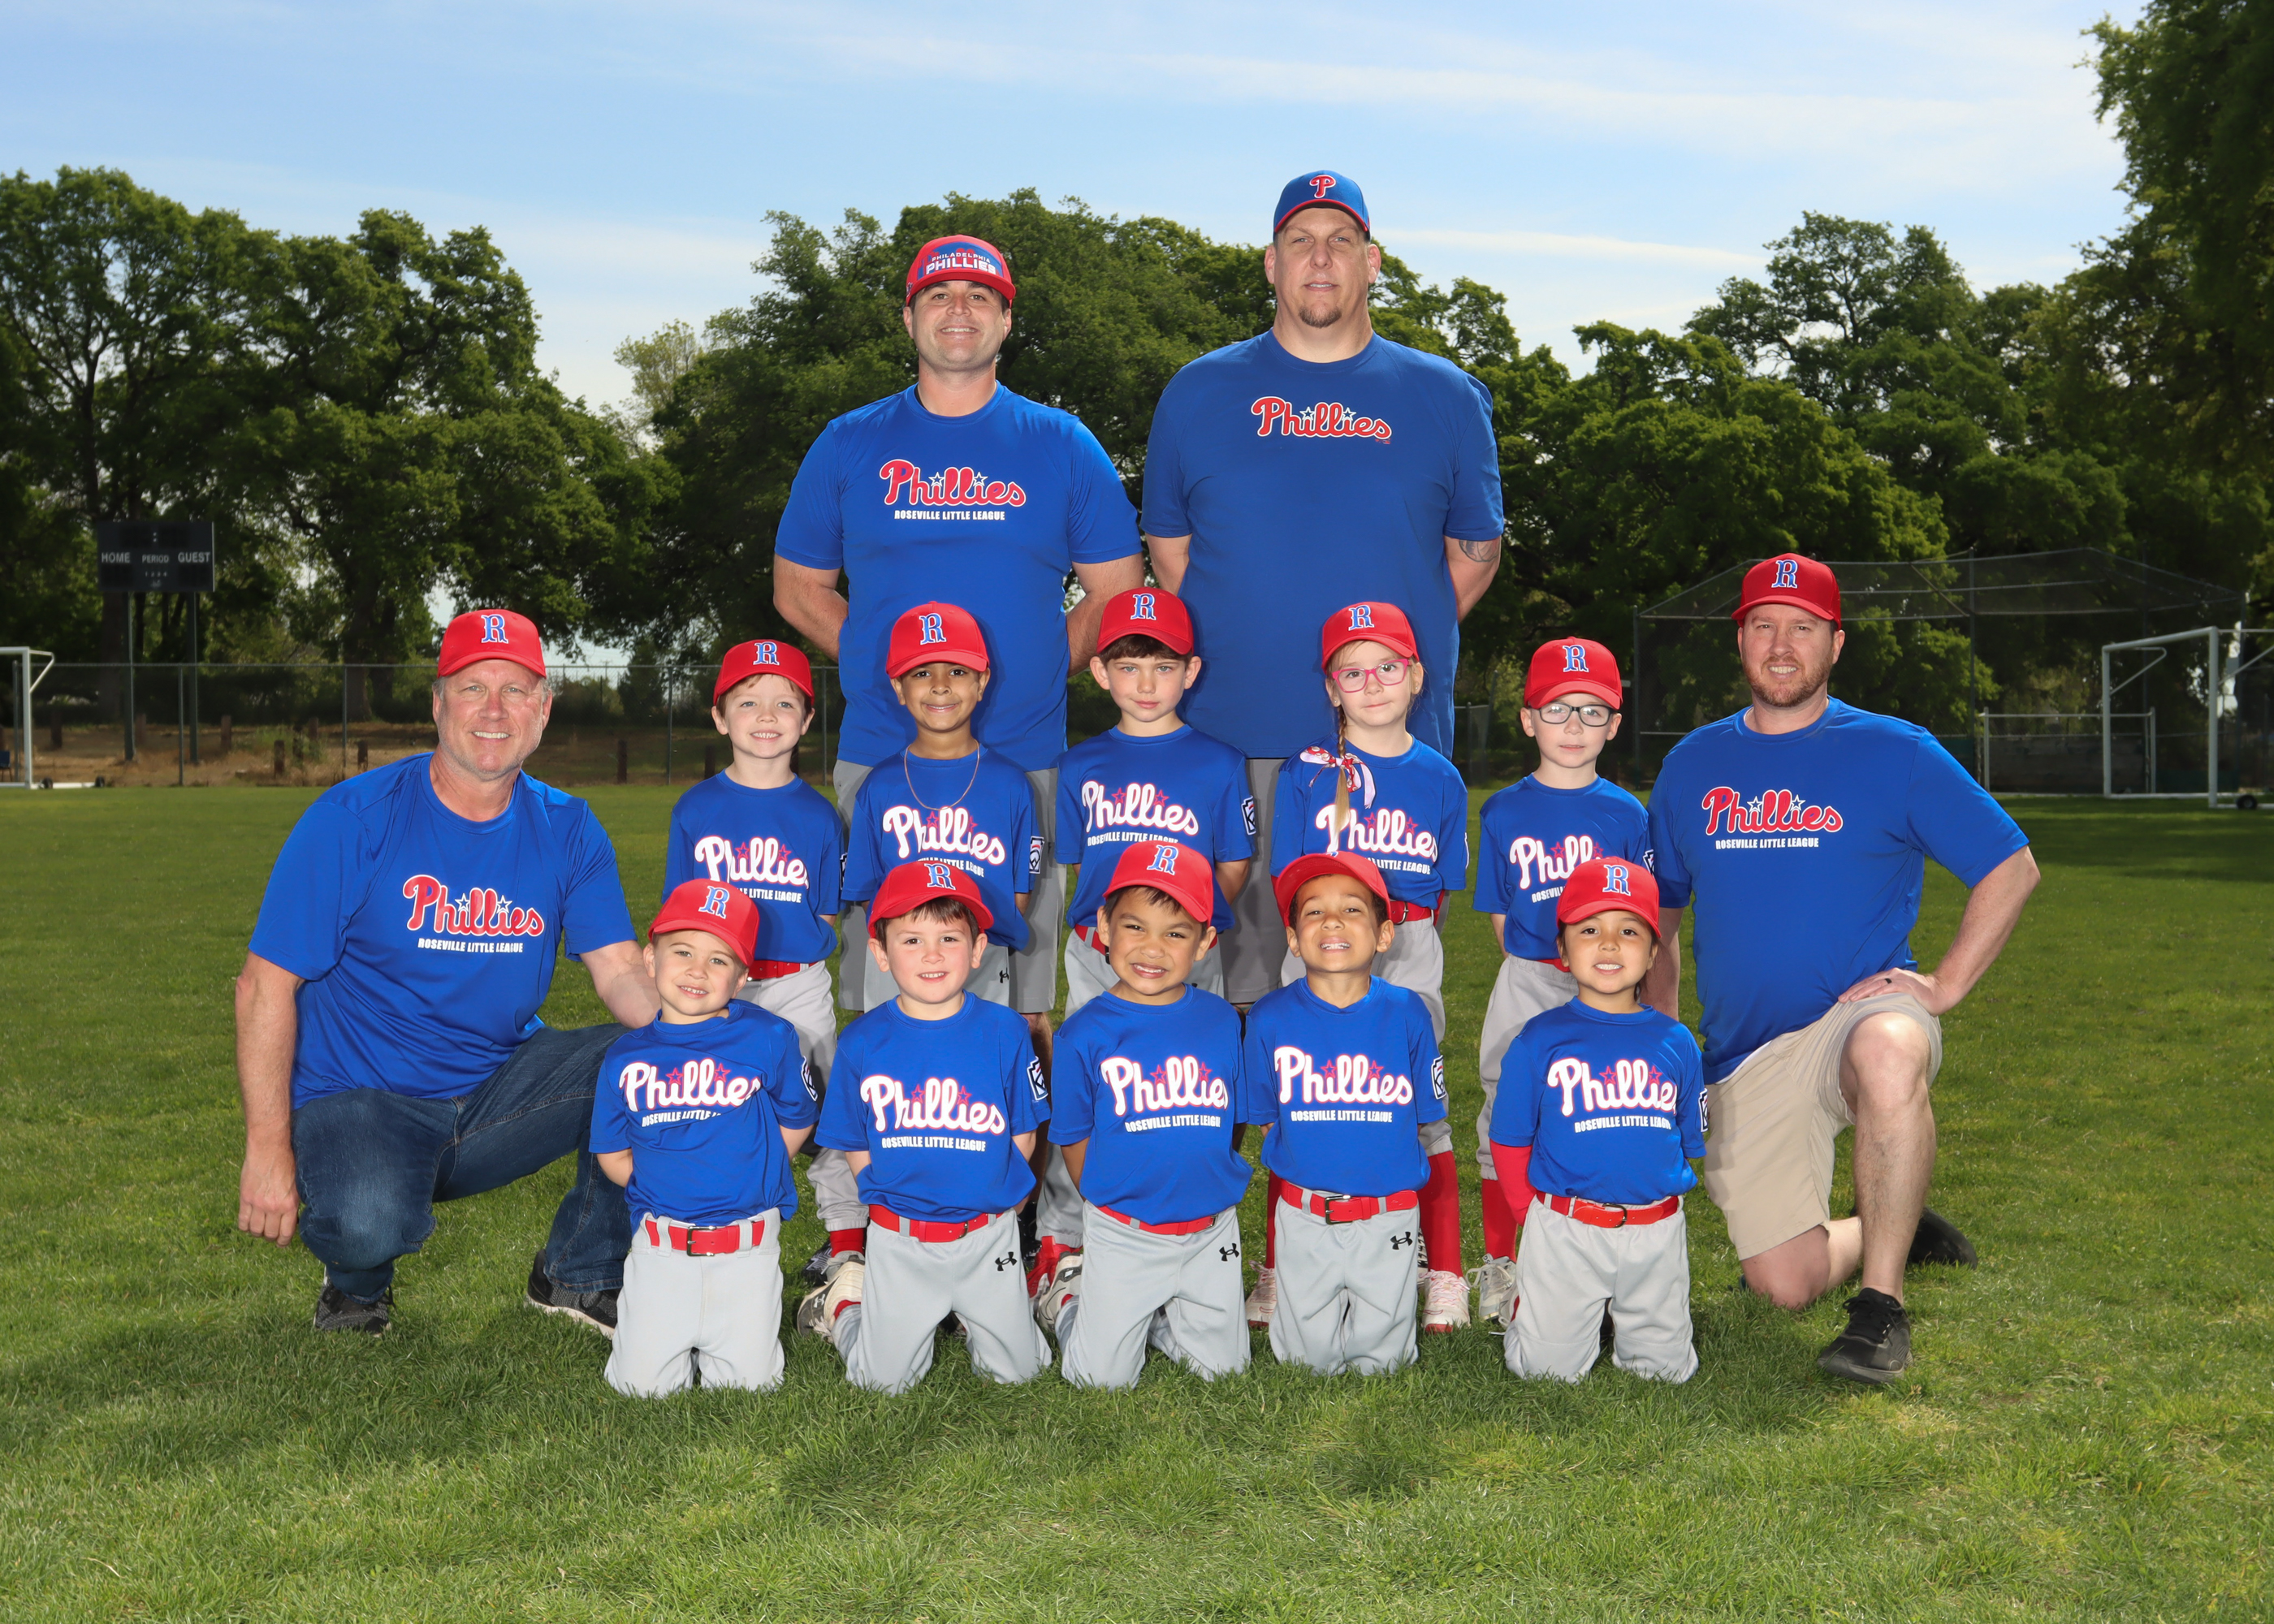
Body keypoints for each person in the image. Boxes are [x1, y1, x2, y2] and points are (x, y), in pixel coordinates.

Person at [1648, 553, 2039, 1384]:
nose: (1780, 645)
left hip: (1857, 1014)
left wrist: (1944, 984)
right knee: (1781, 1284)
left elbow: (2010, 866)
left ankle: (1880, 1308)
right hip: (1746, 1051)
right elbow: (1663, 917)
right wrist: (1659, 1034)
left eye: (1803, 627)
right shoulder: (1691, 765)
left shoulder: (1895, 751)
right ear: (1740, 641)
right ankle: (1895, 1218)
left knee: (1890, 1050)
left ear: (1836, 643)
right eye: (1763, 625)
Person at [234, 609, 658, 1336]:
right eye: (472, 688)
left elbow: (619, 967)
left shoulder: (568, 827)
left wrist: (702, 1034)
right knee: (368, 1221)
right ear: (437, 704)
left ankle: (578, 1273)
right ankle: (356, 1287)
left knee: (655, 1061)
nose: (495, 710)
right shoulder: (354, 818)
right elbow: (263, 985)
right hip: (362, 1097)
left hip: (498, 1090)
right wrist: (267, 1148)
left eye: (515, 690)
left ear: (543, 710)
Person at [1141, 170, 1504, 1014]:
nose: (1319, 258)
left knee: (1381, 1007)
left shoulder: (1444, 395)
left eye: (1341, 241)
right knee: (1230, 1004)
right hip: (1233, 743)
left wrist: (1378, 662)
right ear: (1271, 263)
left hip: (1386, 756)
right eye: (1299, 241)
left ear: (1371, 262)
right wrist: (1248, 632)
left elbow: (1474, 555)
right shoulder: (1199, 391)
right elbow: (1170, 551)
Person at [772, 232, 1146, 1048]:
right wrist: (880, 665)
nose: (959, 309)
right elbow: (797, 588)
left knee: (1022, 1003)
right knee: (887, 996)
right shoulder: (849, 441)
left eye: (980, 295)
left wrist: (1036, 663)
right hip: (884, 753)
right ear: (909, 318)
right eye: (938, 294)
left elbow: (1119, 591)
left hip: (1020, 752)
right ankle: (890, 1135)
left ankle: (1023, 1137)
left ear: (1006, 321)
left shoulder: (1060, 443)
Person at [1033, 586, 1254, 1298]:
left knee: (1187, 1087)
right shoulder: (1081, 764)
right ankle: (1066, 1238)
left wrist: (1193, 932)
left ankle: (1189, 1219)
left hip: (1189, 952)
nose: (1147, 683)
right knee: (1089, 1085)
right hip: (1101, 952)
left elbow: (1233, 863)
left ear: (1191, 672)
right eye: (1128, 666)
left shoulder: (1219, 762)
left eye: (1163, 666)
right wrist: (1103, 935)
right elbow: (1080, 868)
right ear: (1100, 673)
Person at [1256, 601, 1468, 1333]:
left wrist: (1401, 944)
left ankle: (1443, 1269)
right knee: (1303, 1102)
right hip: (1320, 945)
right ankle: (1281, 1265)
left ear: (1417, 677)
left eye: (1387, 667)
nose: (1372, 684)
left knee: (1415, 1107)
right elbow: (1287, 880)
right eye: (1352, 672)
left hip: (1405, 941)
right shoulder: (1305, 771)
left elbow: (1440, 892)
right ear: (1331, 687)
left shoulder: (1441, 777)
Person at [1468, 637, 1667, 1327]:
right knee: (1505, 1110)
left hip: (1606, 988)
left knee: (1597, 1111)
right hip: (1528, 977)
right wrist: (1537, 965)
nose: (1574, 726)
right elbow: (1500, 917)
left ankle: (1596, 1262)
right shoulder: (1502, 810)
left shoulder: (1628, 814)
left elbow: (1641, 916)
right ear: (1528, 720)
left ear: (1615, 724)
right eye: (1556, 709)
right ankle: (1503, 1263)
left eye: (1592, 711)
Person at [798, 861, 1053, 1394]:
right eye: (912, 940)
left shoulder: (1005, 1030)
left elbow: (1024, 1132)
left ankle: (994, 1313)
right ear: (881, 953)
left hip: (988, 1235)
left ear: (978, 949)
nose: (932, 955)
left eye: (949, 938)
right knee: (883, 1383)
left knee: (1019, 1375)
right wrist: (882, 1200)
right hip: (901, 1239)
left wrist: (1008, 1200)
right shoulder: (863, 1041)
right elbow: (856, 1140)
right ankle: (846, 1306)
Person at [662, 638, 858, 1287]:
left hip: (795, 985)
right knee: (711, 1106)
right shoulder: (696, 809)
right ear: (720, 717)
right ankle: (703, 1226)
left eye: (784, 703)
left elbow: (823, 916)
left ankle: (847, 1240)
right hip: (718, 989)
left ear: (807, 720)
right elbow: (681, 918)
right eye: (748, 702)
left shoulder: (819, 815)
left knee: (828, 1108)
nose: (767, 716)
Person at [1036, 840, 1260, 1389]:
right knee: (1100, 1381)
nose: (1152, 949)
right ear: (1104, 927)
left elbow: (1231, 1119)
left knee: (1225, 1373)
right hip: (1126, 1230)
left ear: (1205, 942)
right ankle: (1069, 1302)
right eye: (1135, 927)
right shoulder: (1083, 1033)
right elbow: (1073, 1136)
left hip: (1210, 1228)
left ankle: (1155, 1315)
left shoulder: (1222, 1021)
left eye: (1176, 934)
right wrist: (1108, 1201)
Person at [590, 880, 819, 1397]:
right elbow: (611, 1152)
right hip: (661, 1248)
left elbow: (797, 1115)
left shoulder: (769, 1036)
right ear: (651, 959)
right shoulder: (625, 1058)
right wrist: (663, 1182)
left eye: (719, 960)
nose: (698, 970)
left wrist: (757, 1166)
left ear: (742, 977)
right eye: (683, 951)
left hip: (746, 1247)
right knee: (641, 1390)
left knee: (749, 1388)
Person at [1491, 858, 1705, 1384]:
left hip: (1654, 1228)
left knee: (1664, 1373)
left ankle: (1624, 1317)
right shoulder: (1538, 1039)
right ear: (1562, 951)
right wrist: (1527, 1215)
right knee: (1545, 1371)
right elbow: (1509, 1139)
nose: (1609, 944)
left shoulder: (1676, 1042)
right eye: (1589, 930)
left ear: (1653, 953)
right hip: (1566, 1227)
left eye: (1629, 931)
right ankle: (1537, 1307)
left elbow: (1686, 1139)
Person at [1243, 851, 1447, 1377]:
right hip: (1305, 1213)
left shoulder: (1408, 1012)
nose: (1332, 921)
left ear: (1384, 935)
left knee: (1384, 1363)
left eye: (1352, 910)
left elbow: (1424, 1115)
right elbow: (1267, 1114)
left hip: (1388, 1212)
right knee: (1305, 1362)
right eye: (1313, 911)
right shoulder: (1269, 1017)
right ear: (1293, 939)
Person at [839, 603, 1040, 1014]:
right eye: (921, 673)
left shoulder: (1011, 784)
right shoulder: (879, 786)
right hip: (902, 960)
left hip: (981, 954)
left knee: (981, 1053)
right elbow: (866, 891)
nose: (941, 686)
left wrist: (970, 946)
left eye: (958, 671)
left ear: (982, 682)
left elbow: (1019, 892)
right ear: (898, 687)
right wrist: (906, 946)